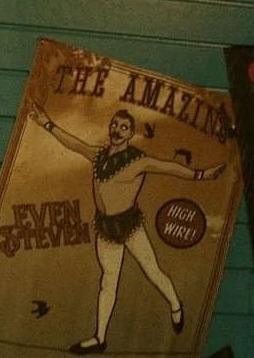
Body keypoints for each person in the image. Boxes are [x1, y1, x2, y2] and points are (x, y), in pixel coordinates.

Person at [26, 103, 225, 354]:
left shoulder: (137, 161)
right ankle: (99, 338)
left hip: (129, 225)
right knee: (108, 282)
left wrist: (202, 175)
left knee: (152, 270)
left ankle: (175, 304)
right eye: (115, 125)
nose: (118, 130)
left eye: (124, 127)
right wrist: (47, 123)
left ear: (131, 134)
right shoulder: (98, 155)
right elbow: (74, 144)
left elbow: (168, 167)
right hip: (105, 227)